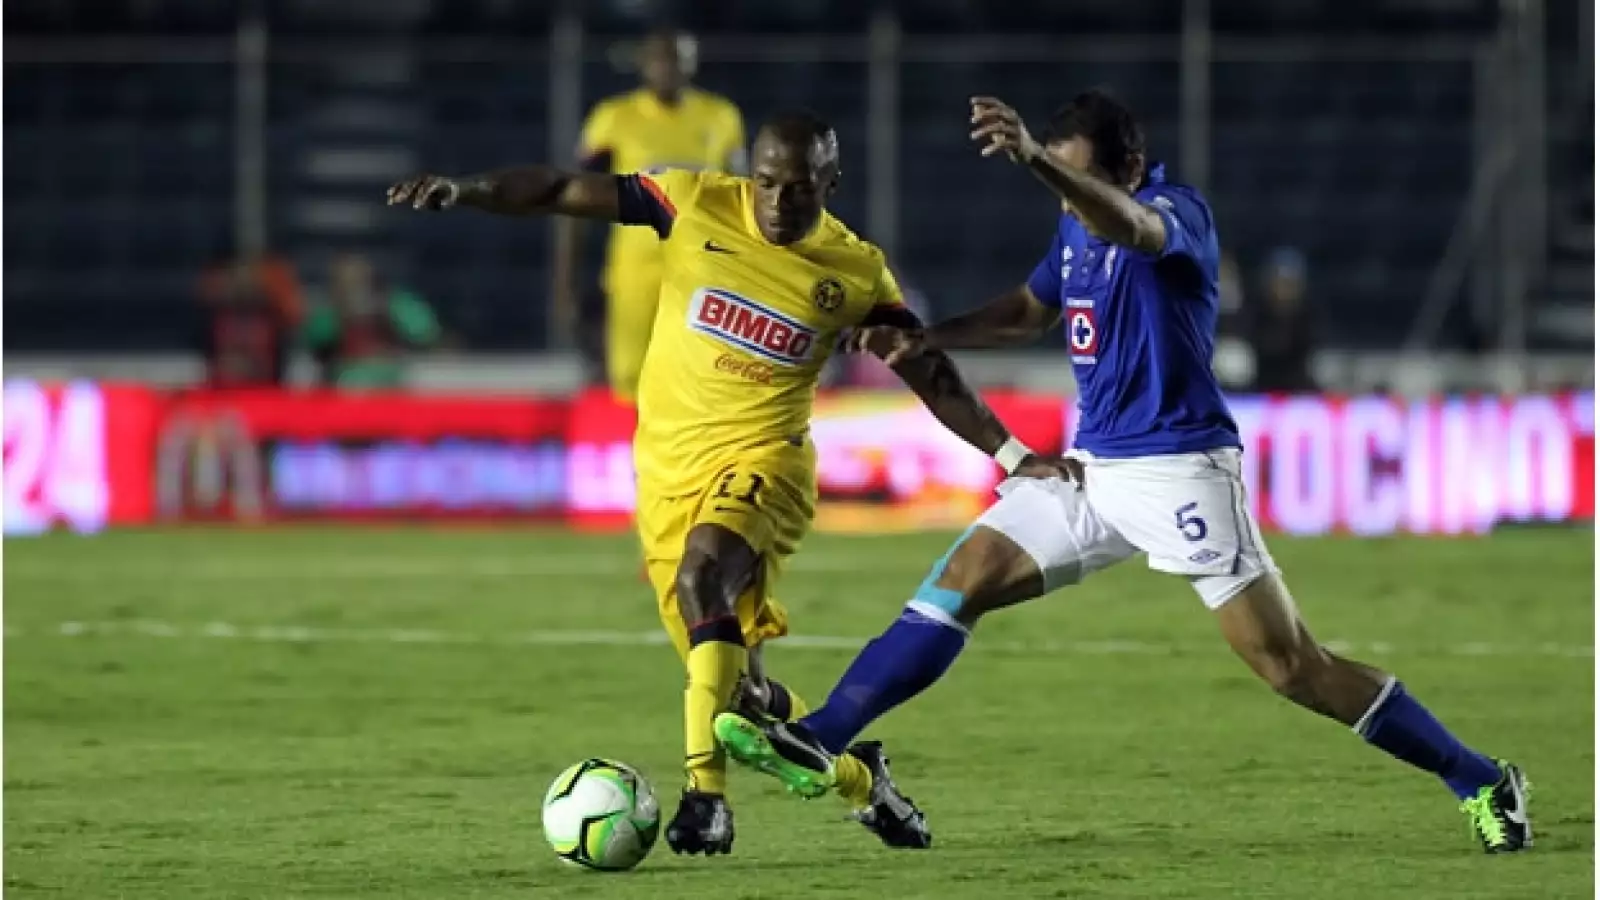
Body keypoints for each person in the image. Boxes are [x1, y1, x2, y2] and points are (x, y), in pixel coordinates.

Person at [711, 89, 1533, 855]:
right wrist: (930, 336)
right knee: (960, 579)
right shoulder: (1073, 220)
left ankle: (1482, 780)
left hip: (1181, 471)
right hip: (1093, 467)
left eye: (1079, 177)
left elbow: (1133, 230)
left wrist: (1038, 160)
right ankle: (819, 738)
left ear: (1129, 170)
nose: (1068, 195)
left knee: (1292, 667)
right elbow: (1029, 311)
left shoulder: (1179, 214)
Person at [387, 110, 1073, 856]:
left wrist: (1010, 454)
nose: (779, 202)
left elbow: (930, 373)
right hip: (666, 471)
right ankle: (860, 780)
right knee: (736, 697)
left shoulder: (854, 270)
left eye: (801, 189)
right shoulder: (693, 201)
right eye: (768, 183)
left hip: (765, 464)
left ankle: (704, 800)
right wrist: (464, 189)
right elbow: (557, 187)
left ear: (831, 184)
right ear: (751, 174)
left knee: (701, 578)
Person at [552, 27, 747, 402]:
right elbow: (576, 199)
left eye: (679, 58)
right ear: (644, 64)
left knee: (700, 379)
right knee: (630, 382)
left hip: (701, 269)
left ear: (693, 64)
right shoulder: (614, 118)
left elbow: (742, 202)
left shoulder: (720, 118)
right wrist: (567, 279)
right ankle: (636, 459)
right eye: (661, 58)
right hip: (635, 270)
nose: (669, 68)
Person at [302, 252, 442, 390]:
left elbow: (425, 333)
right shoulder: (327, 310)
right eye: (346, 282)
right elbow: (313, 340)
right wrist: (339, 316)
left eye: (358, 281)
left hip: (386, 379)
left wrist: (389, 311)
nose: (354, 289)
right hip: (340, 379)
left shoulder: (394, 302)